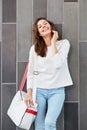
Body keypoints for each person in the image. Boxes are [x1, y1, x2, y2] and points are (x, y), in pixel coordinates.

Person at [25, 17, 73, 130]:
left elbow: (58, 64)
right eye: (40, 26)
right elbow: (31, 72)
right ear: (39, 33)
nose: (43, 27)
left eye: (45, 24)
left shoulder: (64, 44)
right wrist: (29, 92)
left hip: (57, 91)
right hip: (39, 90)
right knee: (39, 125)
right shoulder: (34, 49)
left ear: (51, 26)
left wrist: (53, 42)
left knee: (50, 123)